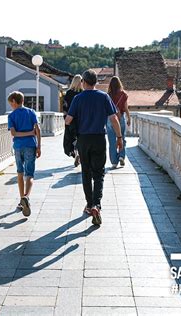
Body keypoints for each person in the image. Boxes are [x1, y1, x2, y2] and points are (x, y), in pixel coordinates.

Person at [65, 69, 123, 226]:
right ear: (96, 82)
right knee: (99, 173)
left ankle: (89, 205)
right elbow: (114, 119)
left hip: (83, 140)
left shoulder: (78, 98)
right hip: (99, 138)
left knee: (86, 173)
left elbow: (68, 120)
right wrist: (119, 138)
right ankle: (97, 205)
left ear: (83, 82)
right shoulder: (104, 97)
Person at [7, 91, 41, 217]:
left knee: (20, 173)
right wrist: (39, 146)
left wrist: (25, 134)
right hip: (31, 145)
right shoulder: (31, 112)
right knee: (30, 174)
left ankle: (22, 200)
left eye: (11, 103)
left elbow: (14, 134)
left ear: (14, 102)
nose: (11, 105)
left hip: (18, 147)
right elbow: (37, 130)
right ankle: (26, 196)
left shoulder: (11, 116)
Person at [106, 76, 130, 168]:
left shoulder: (108, 95)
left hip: (110, 119)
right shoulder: (123, 94)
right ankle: (121, 156)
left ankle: (114, 162)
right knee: (122, 138)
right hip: (120, 118)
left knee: (112, 141)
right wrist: (129, 118)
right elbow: (125, 108)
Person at [63, 74, 83, 167]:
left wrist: (65, 119)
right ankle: (79, 152)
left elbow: (65, 107)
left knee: (71, 138)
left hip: (71, 119)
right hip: (81, 120)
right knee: (81, 137)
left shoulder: (68, 93)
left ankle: (75, 153)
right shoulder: (83, 93)